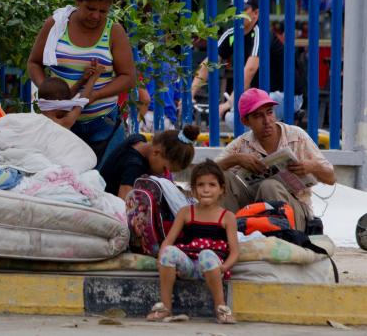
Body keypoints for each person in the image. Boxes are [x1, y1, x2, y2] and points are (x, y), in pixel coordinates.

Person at [27, 0, 136, 161]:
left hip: (103, 123)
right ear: (78, 1)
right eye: (90, 9)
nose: (96, 16)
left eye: (103, 11)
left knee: (103, 183)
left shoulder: (114, 32)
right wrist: (50, 95)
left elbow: (128, 78)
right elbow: (34, 63)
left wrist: (95, 95)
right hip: (59, 121)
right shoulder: (56, 25)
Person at [216, 88, 335, 231]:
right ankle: (230, 233)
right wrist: (234, 159)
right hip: (255, 210)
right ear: (245, 121)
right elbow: (205, 172)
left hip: (295, 212)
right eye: (258, 116)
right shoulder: (242, 144)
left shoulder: (296, 136)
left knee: (269, 185)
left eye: (270, 112)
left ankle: (284, 237)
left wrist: (313, 167)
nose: (267, 121)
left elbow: (331, 178)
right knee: (223, 177)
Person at [148, 160, 238, 325]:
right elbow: (168, 242)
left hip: (212, 268)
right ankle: (165, 307)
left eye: (212, 185)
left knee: (207, 255)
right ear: (194, 189)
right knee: (169, 252)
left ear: (221, 189)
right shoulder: (185, 212)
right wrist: (163, 261)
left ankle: (221, 308)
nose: (206, 189)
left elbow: (234, 252)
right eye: (200, 185)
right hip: (189, 266)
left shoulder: (227, 217)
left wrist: (223, 268)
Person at [98, 125, 200, 198]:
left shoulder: (137, 139)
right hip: (106, 205)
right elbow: (123, 202)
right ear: (156, 152)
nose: (165, 174)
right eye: (164, 169)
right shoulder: (134, 166)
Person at [36, 59, 101, 128]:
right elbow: (83, 99)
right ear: (59, 108)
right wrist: (94, 78)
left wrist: (83, 79)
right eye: (67, 107)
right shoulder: (62, 122)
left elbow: (65, 99)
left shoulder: (35, 121)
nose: (68, 109)